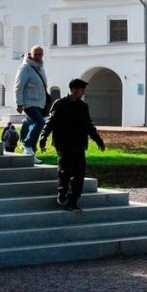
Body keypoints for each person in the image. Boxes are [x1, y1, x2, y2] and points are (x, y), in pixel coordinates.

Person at [39, 79, 105, 212]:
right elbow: (51, 121)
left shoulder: (83, 106)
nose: (83, 92)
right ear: (73, 90)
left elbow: (88, 125)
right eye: (81, 90)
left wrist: (98, 140)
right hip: (63, 143)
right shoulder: (60, 104)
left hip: (79, 143)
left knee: (79, 173)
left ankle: (73, 201)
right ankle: (62, 192)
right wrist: (43, 136)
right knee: (65, 170)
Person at [15, 45, 48, 164]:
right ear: (31, 54)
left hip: (39, 103)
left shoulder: (40, 68)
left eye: (40, 54)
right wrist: (19, 103)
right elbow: (18, 86)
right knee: (40, 122)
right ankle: (27, 144)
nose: (38, 56)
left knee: (34, 124)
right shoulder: (25, 68)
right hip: (29, 102)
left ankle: (31, 154)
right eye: (36, 54)